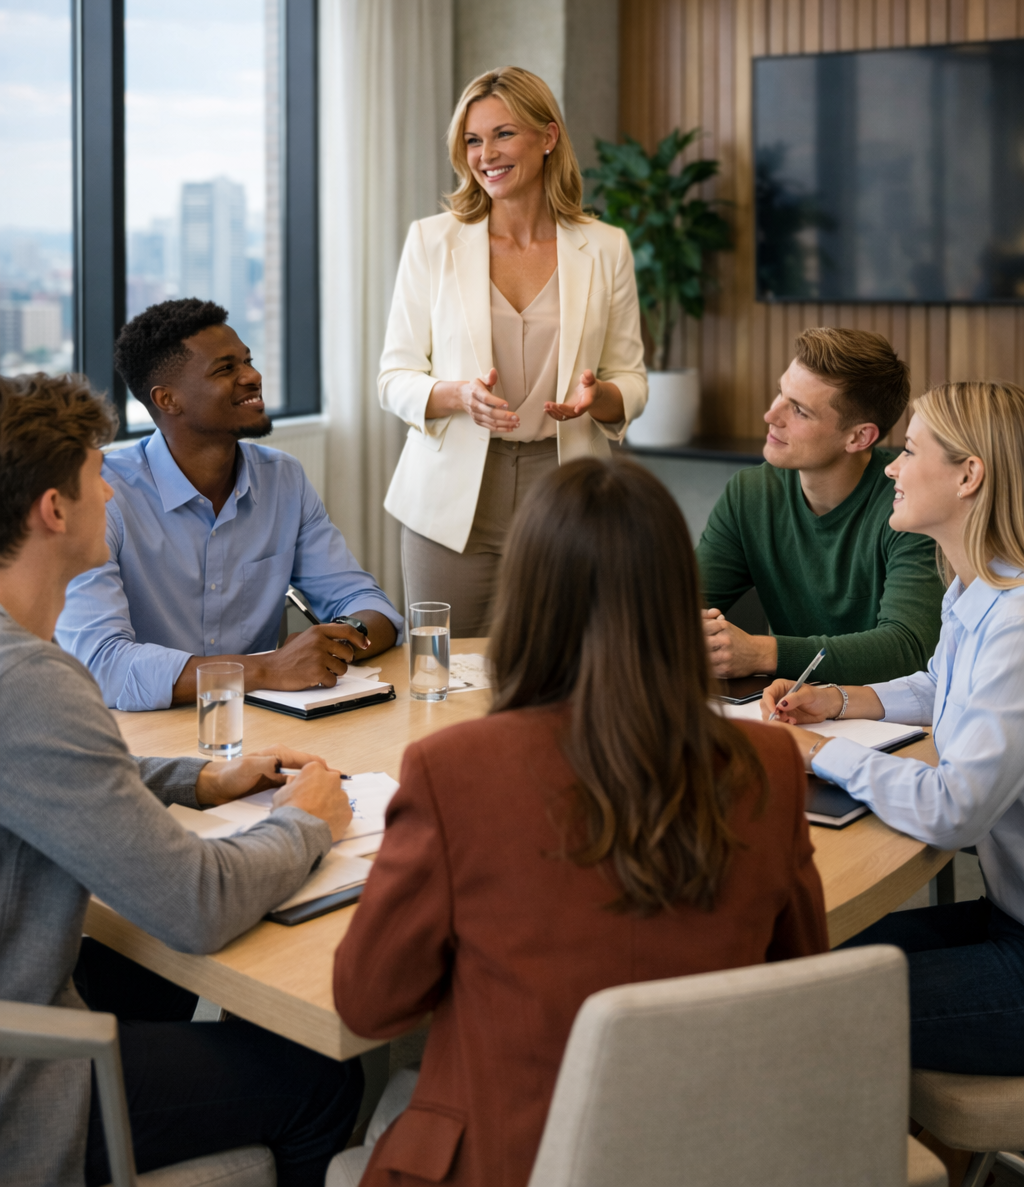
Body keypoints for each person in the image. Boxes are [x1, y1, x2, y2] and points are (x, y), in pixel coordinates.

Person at [332, 458, 828, 1187]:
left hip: (514, 1158)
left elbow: (371, 1003)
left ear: (526, 597)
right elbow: (799, 986)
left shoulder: (453, 770)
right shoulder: (769, 764)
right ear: (675, 595)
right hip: (710, 1151)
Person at [0, 371, 364, 1187]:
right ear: (53, 512)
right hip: (23, 1086)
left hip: (27, 997)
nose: (115, 492)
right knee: (321, 1077)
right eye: (99, 478)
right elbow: (194, 905)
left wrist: (196, 781)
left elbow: (36, 769)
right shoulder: (33, 681)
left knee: (137, 975)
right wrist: (305, 820)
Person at [764, 380, 1024, 1077]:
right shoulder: (980, 586)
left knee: (787, 1011)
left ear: (970, 474)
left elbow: (954, 810)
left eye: (909, 451)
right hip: (1005, 919)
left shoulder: (1018, 626)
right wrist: (838, 701)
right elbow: (939, 684)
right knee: (791, 963)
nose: (891, 468)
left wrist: (819, 756)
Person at [378, 66, 648, 636]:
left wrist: (599, 399)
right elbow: (394, 376)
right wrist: (455, 395)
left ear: (548, 138)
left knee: (564, 672)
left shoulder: (605, 247)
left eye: (503, 134)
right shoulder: (431, 242)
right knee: (441, 676)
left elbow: (631, 376)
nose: (485, 154)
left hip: (565, 491)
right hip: (451, 503)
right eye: (473, 140)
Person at [57, 299, 401, 710]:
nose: (253, 377)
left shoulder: (284, 479)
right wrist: (268, 669)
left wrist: (339, 638)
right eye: (226, 369)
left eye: (248, 361)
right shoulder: (103, 497)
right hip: (143, 734)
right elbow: (103, 664)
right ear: (167, 400)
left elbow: (369, 605)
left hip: (257, 722)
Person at [697, 326, 943, 686]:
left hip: (891, 722)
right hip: (788, 707)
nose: (771, 415)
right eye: (780, 393)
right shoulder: (749, 493)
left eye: (798, 410)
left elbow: (907, 648)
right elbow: (680, 603)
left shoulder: (908, 502)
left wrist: (761, 653)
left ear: (859, 437)